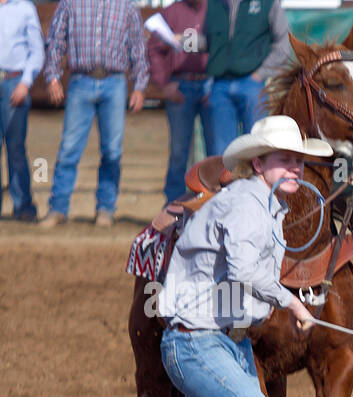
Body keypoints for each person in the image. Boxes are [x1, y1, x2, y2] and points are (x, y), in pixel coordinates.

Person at [120, 116, 324, 397]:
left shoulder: (266, 207)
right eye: (285, 160)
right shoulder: (247, 203)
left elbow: (243, 283)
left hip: (223, 343)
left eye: (300, 162)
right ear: (259, 162)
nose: (296, 169)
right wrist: (290, 301)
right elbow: (245, 271)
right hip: (196, 344)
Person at [39, 0, 149, 228]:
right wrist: (52, 77)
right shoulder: (71, 3)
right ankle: (58, 208)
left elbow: (138, 48)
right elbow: (55, 41)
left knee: (112, 151)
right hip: (80, 80)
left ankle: (105, 209)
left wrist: (139, 86)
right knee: (69, 149)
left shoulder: (126, 6)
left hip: (115, 82)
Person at [203, 0, 291, 157]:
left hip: (252, 85)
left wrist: (260, 74)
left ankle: (255, 182)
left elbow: (284, 43)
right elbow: (207, 42)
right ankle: (227, 182)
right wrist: (183, 41)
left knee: (256, 148)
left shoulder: (269, 3)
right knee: (221, 152)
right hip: (219, 85)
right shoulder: (212, 4)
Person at [148, 0, 209, 207]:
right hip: (180, 86)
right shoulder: (171, 13)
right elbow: (155, 49)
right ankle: (173, 205)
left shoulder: (218, 10)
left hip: (211, 84)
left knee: (216, 150)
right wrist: (164, 84)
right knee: (178, 151)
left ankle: (214, 201)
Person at [0, 0, 43, 221]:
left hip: (15, 82)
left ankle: (22, 205)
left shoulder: (25, 8)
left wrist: (26, 81)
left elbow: (37, 50)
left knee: (15, 147)